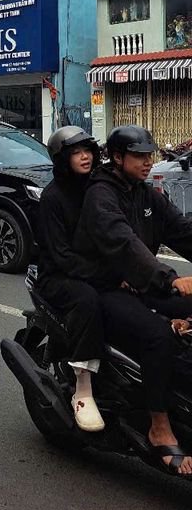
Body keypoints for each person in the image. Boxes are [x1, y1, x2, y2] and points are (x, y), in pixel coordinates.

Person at [73, 125, 192, 475]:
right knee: (158, 335)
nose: (147, 162)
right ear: (117, 157)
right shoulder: (101, 195)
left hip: (143, 282)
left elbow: (181, 231)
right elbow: (123, 243)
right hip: (107, 287)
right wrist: (170, 279)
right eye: (139, 156)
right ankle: (159, 427)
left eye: (149, 155)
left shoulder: (146, 194)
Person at [37, 126, 105, 432]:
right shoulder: (52, 198)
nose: (84, 157)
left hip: (94, 269)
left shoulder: (96, 188)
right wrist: (103, 275)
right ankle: (83, 388)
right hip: (58, 276)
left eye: (87, 150)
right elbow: (61, 256)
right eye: (76, 153)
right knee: (88, 300)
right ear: (63, 159)